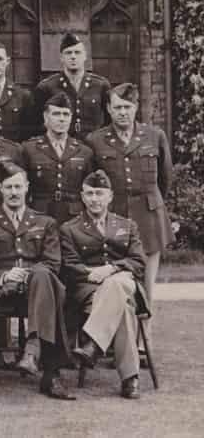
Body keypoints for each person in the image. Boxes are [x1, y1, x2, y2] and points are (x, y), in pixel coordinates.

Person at [0, 161, 74, 400]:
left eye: (18, 186)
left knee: (42, 275)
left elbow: (52, 263)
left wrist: (25, 275)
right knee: (45, 285)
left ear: (27, 187)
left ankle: (33, 350)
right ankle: (50, 371)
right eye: (9, 187)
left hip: (36, 292)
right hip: (1, 295)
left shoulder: (44, 222)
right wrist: (4, 276)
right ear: (0, 189)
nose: (14, 192)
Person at [60, 170, 148, 400]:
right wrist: (95, 274)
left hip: (123, 282)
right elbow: (68, 266)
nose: (94, 199)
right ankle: (130, 378)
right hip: (89, 292)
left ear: (110, 196)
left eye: (99, 193)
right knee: (124, 307)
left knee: (118, 284)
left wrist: (111, 269)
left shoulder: (127, 225)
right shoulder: (69, 228)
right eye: (89, 193)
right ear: (82, 196)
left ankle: (93, 344)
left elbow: (139, 262)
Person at [85, 83, 174, 309]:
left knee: (147, 289)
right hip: (113, 218)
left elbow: (165, 178)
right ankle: (118, 337)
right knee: (116, 283)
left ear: (136, 107)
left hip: (149, 219)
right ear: (108, 109)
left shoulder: (155, 136)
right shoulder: (96, 140)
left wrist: (154, 203)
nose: (122, 112)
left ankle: (145, 337)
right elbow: (91, 182)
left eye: (127, 107)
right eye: (117, 107)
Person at [19, 93, 94, 225]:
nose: (61, 119)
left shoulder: (84, 151)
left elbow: (89, 190)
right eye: (56, 114)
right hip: (39, 216)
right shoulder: (29, 149)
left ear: (71, 118)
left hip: (74, 219)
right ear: (46, 117)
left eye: (65, 115)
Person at [33, 33, 110, 140]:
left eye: (77, 52)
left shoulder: (101, 85)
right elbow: (38, 124)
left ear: (85, 56)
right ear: (61, 57)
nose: (73, 57)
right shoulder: (47, 87)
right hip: (62, 147)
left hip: (94, 146)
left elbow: (109, 121)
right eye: (68, 53)